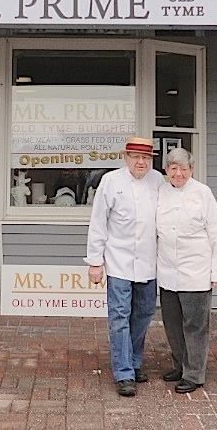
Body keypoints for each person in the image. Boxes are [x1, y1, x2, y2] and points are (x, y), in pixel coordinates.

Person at [85, 136, 163, 397]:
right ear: (125, 157)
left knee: (142, 315)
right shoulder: (111, 181)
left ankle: (135, 362)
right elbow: (98, 223)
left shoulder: (159, 181)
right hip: (118, 261)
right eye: (135, 157)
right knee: (119, 317)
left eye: (146, 158)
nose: (141, 162)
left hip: (149, 262)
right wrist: (95, 261)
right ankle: (124, 372)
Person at [156, 147, 217, 394]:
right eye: (174, 168)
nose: (179, 174)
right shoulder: (161, 192)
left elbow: (216, 233)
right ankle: (179, 366)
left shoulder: (203, 193)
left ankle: (194, 374)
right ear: (166, 170)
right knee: (173, 324)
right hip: (168, 272)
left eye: (184, 169)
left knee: (196, 325)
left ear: (191, 170)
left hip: (196, 271)